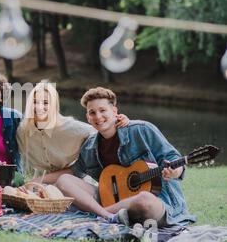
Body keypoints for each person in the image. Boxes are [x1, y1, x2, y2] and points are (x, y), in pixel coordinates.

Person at [55, 87, 195, 227]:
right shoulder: (90, 146)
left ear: (114, 111)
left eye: (103, 110)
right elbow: (74, 171)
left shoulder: (142, 130)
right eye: (92, 112)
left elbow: (173, 158)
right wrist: (38, 181)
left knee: (144, 200)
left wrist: (174, 171)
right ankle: (108, 216)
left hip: (159, 201)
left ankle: (97, 214)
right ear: (88, 118)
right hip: (111, 200)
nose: (98, 116)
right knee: (64, 180)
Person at [16, 81, 129, 184]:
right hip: (38, 183)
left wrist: (118, 120)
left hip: (70, 181)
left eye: (45, 103)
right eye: (35, 102)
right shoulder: (23, 132)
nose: (39, 107)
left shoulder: (70, 127)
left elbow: (101, 129)